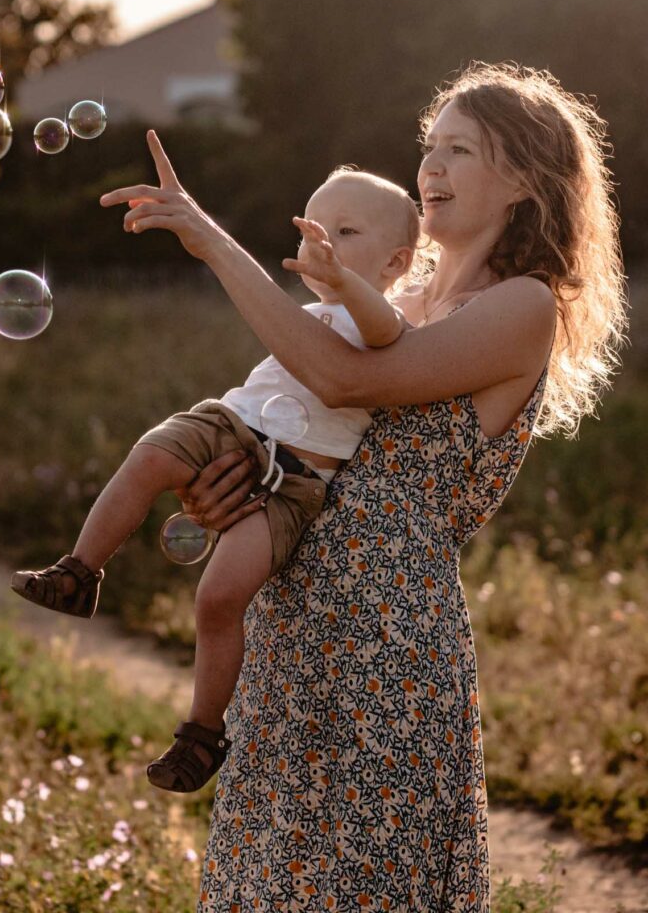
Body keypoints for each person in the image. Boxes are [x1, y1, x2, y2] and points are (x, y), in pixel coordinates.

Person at [101, 62, 626, 911]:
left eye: (460, 150)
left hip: (385, 651)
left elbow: (343, 382)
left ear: (526, 180)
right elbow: (290, 419)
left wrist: (210, 241)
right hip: (291, 628)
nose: (432, 168)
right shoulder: (390, 293)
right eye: (430, 146)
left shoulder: (524, 307)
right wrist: (231, 488)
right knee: (266, 883)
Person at [11, 168, 420, 793]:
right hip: (232, 423)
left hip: (295, 481)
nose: (322, 243)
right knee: (148, 458)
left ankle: (201, 735)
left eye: (345, 231)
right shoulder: (309, 310)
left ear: (397, 261)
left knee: (219, 597)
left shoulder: (383, 323)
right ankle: (79, 571)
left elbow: (384, 332)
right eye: (313, 229)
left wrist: (343, 281)